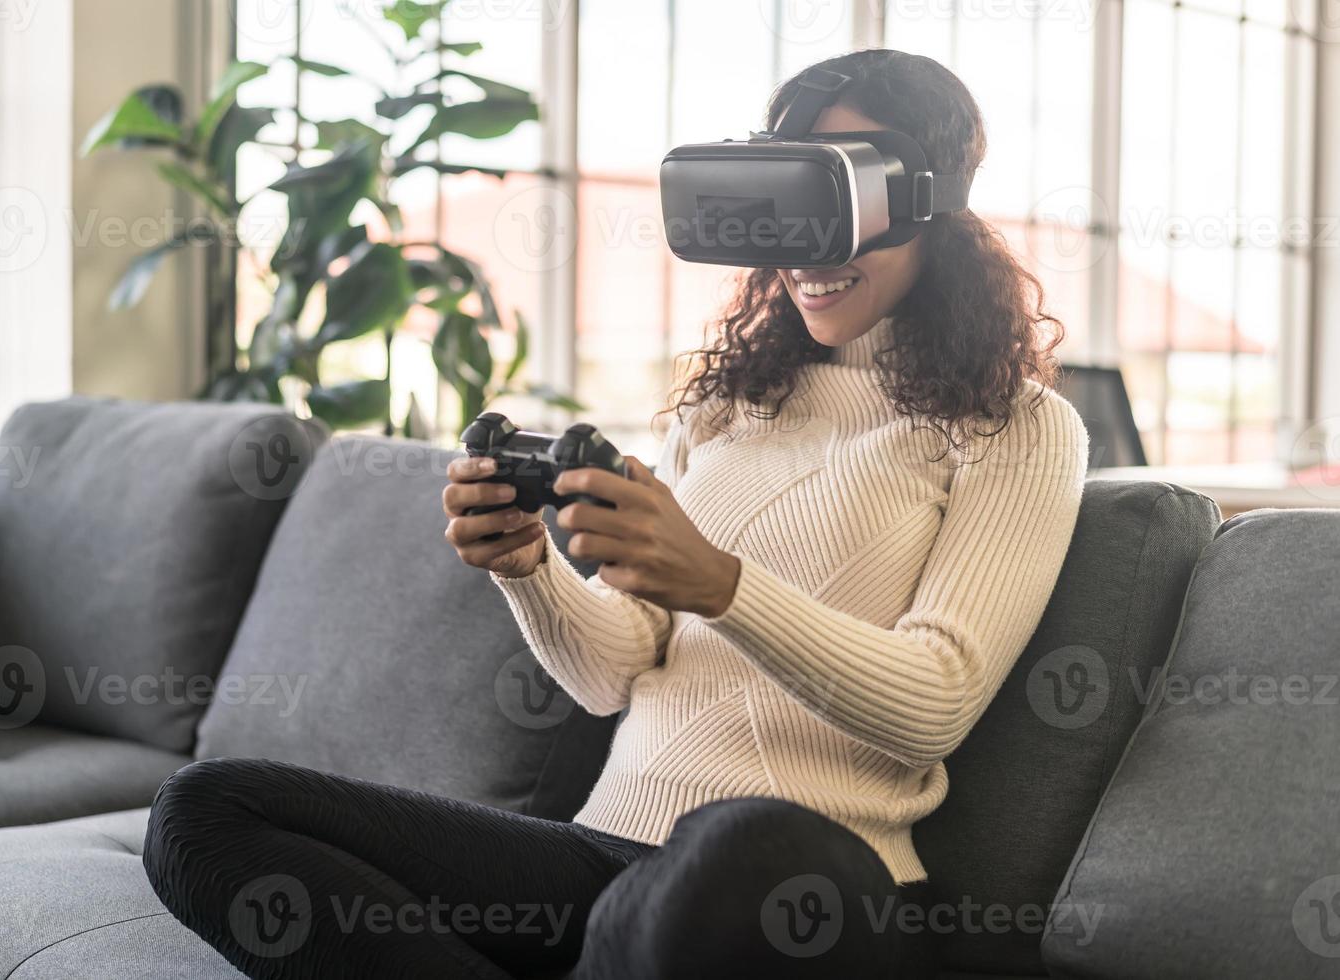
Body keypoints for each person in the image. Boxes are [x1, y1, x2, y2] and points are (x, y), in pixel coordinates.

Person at [144, 48, 1089, 979]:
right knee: (206, 811)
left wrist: (719, 586)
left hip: (803, 880)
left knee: (736, 839)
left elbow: (936, 702)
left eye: (839, 198)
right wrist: (530, 568)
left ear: (930, 201)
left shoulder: (1015, 428)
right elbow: (611, 676)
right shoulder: (724, 404)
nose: (814, 253)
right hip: (605, 861)